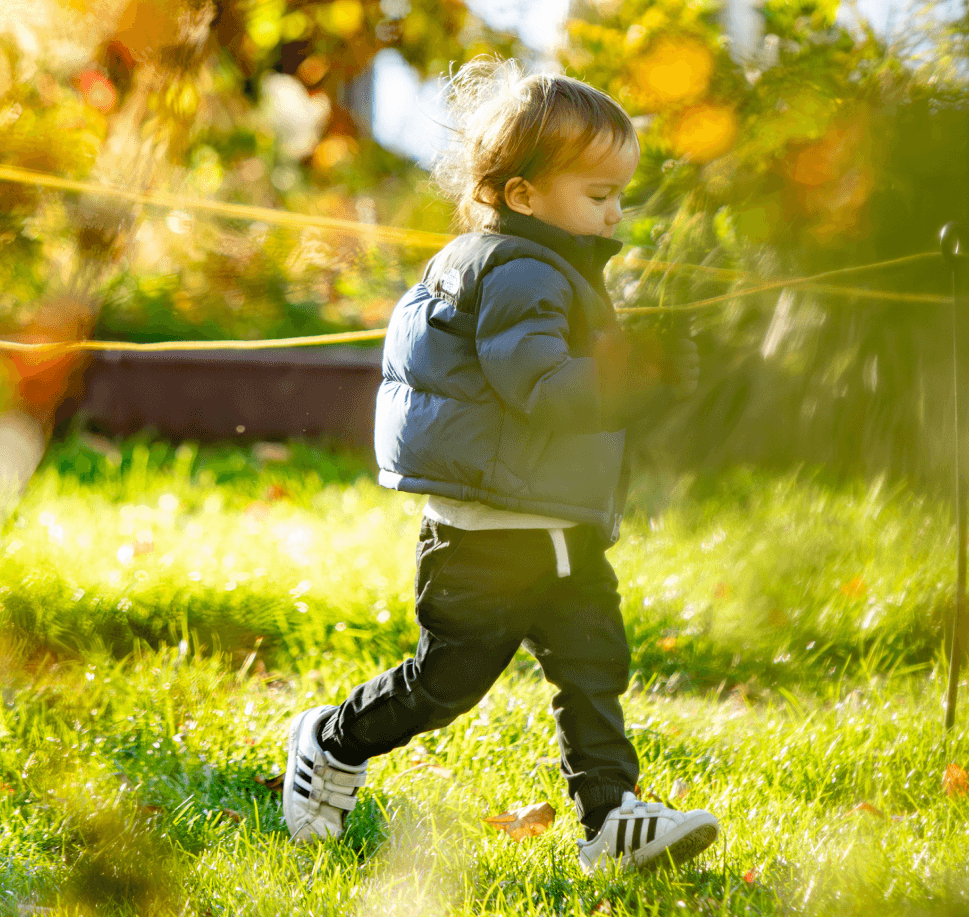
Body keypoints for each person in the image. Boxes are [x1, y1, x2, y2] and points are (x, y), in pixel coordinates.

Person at [281, 60, 718, 872]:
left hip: (556, 527)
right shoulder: (517, 269)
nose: (616, 213)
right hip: (489, 536)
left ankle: (611, 818)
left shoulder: (549, 268)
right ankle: (330, 742)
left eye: (619, 193)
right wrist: (635, 373)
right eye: (598, 196)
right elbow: (545, 389)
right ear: (521, 195)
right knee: (444, 685)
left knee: (593, 670)